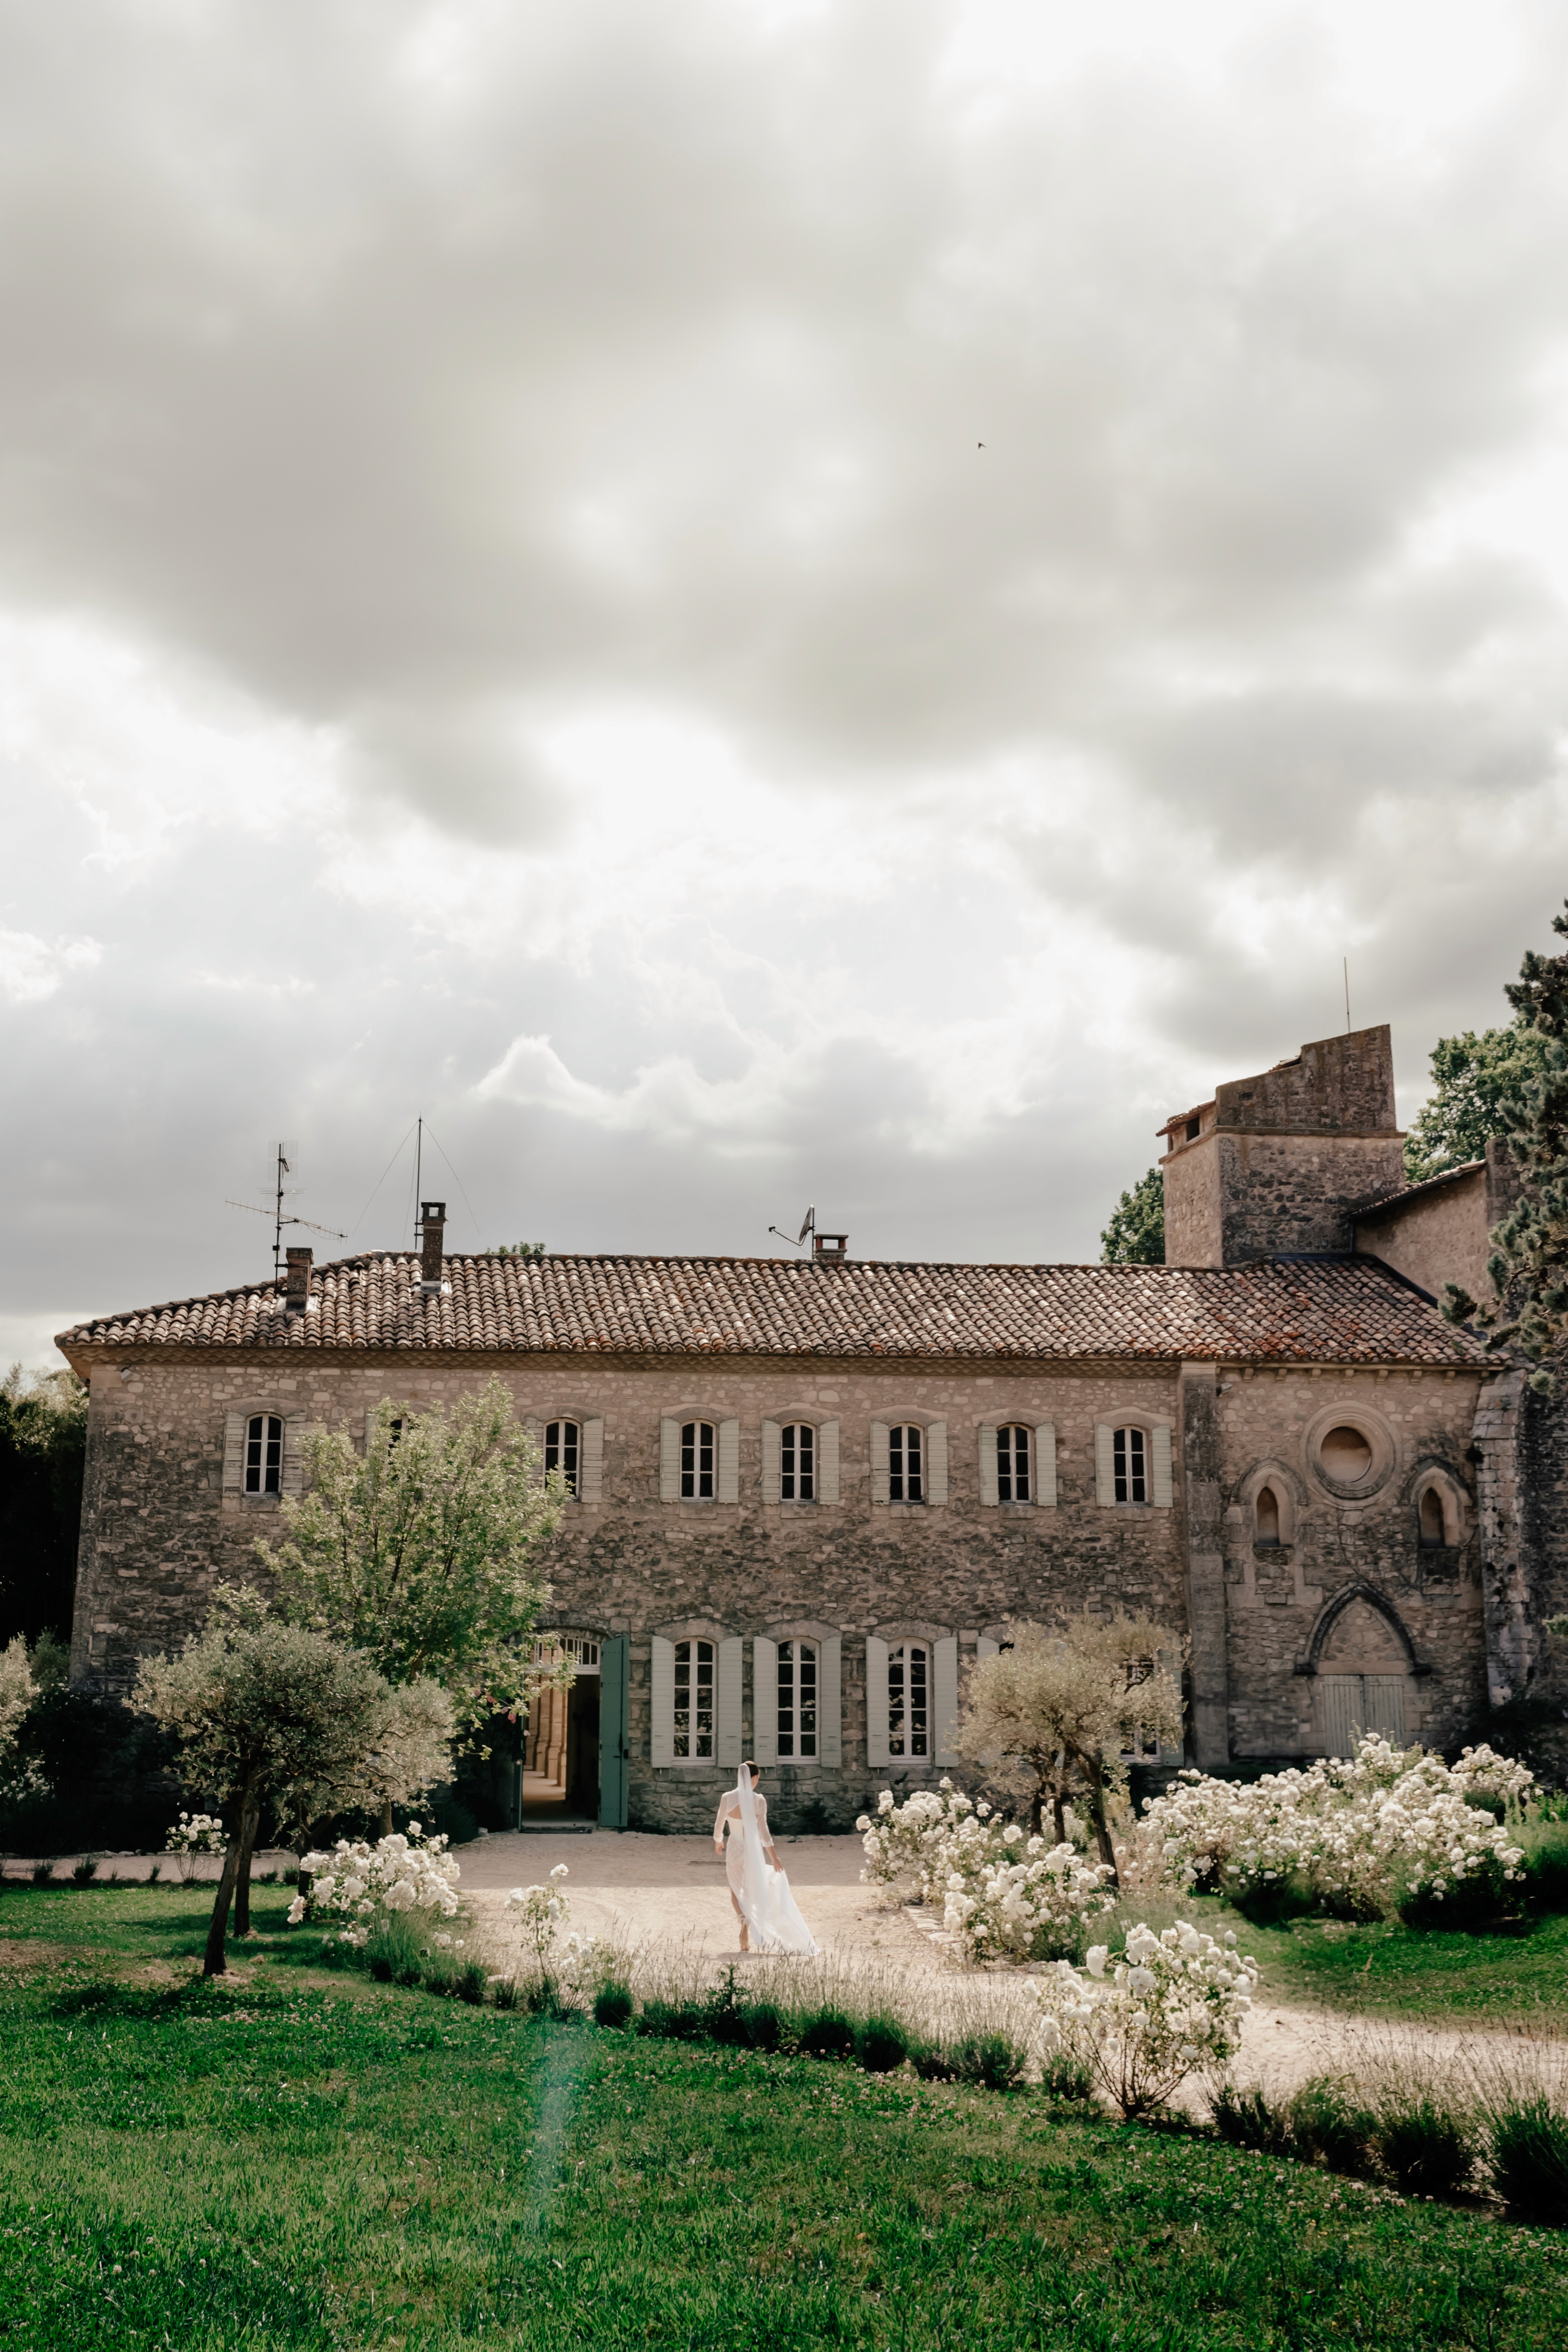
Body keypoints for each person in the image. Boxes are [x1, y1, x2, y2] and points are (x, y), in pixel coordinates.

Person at [712, 1762, 819, 1955]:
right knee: (755, 1888)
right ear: (753, 1778)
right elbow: (764, 1833)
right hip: (752, 1851)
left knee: (736, 1891)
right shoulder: (759, 1801)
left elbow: (719, 1823)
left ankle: (743, 1921)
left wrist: (718, 1841)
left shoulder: (727, 1798)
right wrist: (775, 1859)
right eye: (758, 1778)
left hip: (735, 1848)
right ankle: (748, 1924)